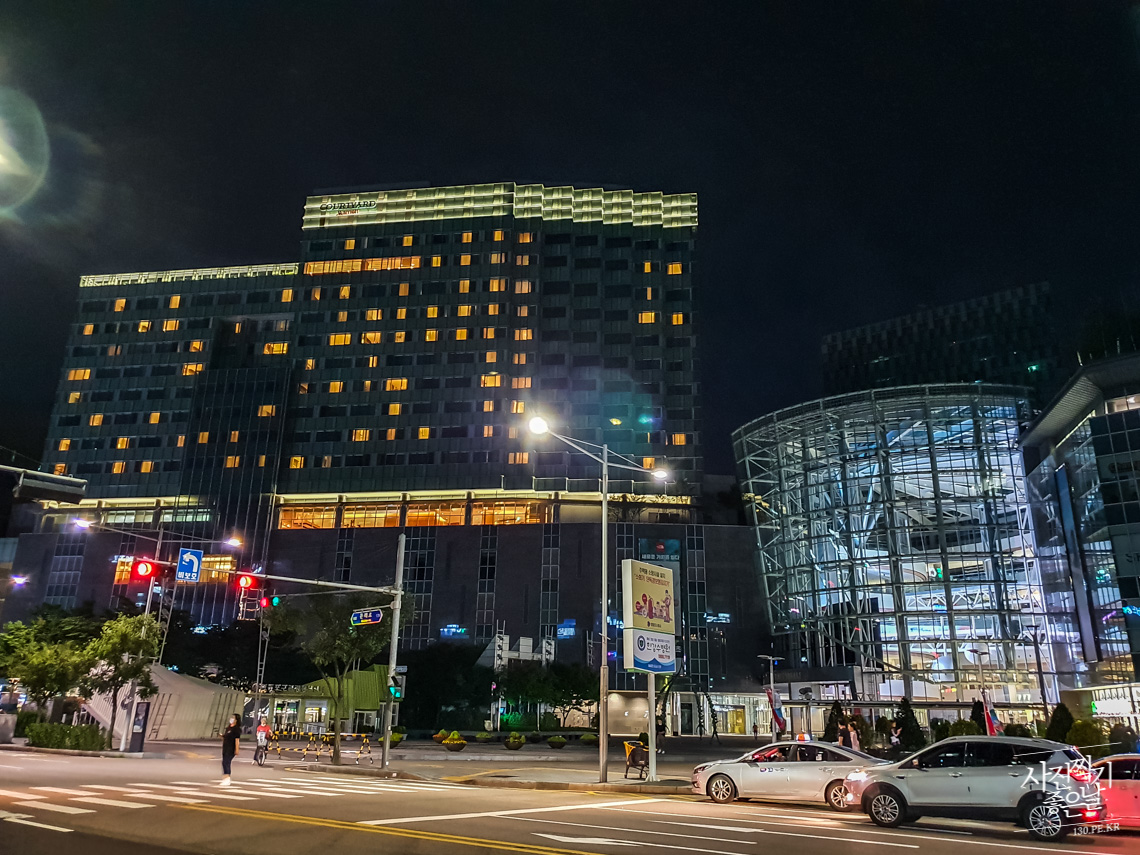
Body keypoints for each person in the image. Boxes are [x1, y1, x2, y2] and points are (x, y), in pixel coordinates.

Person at [220, 714, 241, 786]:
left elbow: (237, 740)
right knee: (224, 763)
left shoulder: (236, 729)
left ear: (236, 720)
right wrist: (222, 736)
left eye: (233, 718)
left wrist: (237, 749)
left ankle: (227, 779)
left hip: (231, 748)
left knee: (227, 762)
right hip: (225, 747)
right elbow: (226, 737)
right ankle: (225, 778)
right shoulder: (228, 728)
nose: (231, 719)